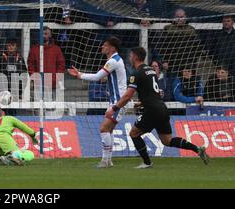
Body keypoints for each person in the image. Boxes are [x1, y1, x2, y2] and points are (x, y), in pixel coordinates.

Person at [105, 47, 209, 168]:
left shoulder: (136, 73)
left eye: (130, 55)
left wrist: (114, 108)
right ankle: (197, 149)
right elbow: (152, 93)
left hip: (152, 111)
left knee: (134, 133)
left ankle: (147, 163)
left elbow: (128, 95)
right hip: (162, 108)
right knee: (167, 140)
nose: (129, 58)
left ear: (135, 56)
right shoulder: (151, 70)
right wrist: (140, 103)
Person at [68, 36, 126, 168]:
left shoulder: (113, 61)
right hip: (115, 101)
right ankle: (108, 161)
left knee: (104, 128)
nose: (102, 47)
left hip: (119, 101)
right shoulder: (115, 60)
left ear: (112, 48)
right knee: (108, 130)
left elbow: (97, 77)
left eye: (105, 45)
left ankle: (105, 161)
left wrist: (79, 75)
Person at [28, 26, 66, 97]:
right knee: (38, 107)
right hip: (38, 85)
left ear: (50, 35)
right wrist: (35, 78)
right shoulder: (34, 49)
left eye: (46, 33)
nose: (44, 35)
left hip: (52, 84)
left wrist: (55, 78)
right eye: (42, 34)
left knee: (51, 107)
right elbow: (30, 65)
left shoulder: (56, 49)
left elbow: (61, 65)